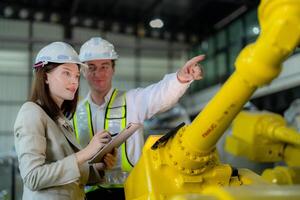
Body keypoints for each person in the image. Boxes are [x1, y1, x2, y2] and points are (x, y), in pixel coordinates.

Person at [73, 37, 204, 199]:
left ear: (113, 69)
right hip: (89, 194)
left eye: (104, 66)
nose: (98, 73)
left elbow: (160, 95)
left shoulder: (133, 101)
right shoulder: (74, 113)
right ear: (83, 71)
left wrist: (181, 78)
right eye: (91, 67)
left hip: (132, 191)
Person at [14, 41, 117, 200]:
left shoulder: (59, 119)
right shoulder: (31, 112)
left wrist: (99, 166)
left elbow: (68, 177)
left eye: (76, 75)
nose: (74, 81)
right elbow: (33, 177)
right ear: (46, 76)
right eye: (66, 73)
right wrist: (87, 152)